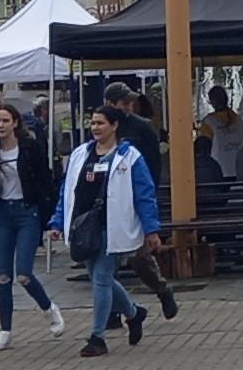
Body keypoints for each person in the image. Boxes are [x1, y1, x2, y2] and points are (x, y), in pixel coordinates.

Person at [56, 108, 163, 356]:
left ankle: (97, 337)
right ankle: (134, 313)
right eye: (92, 123)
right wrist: (57, 221)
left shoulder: (130, 157)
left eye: (100, 123)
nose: (95, 127)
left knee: (102, 279)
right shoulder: (80, 154)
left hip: (112, 226)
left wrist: (151, 229)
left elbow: (144, 194)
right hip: (84, 227)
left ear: (114, 126)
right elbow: (67, 189)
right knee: (99, 278)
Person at [0, 104, 62, 349]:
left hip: (28, 212)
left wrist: (50, 220)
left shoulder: (30, 148)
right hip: (3, 214)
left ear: (15, 123)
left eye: (5, 120)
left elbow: (45, 182)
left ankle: (49, 308)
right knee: (3, 276)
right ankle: (4, 330)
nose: (0, 125)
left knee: (24, 273)